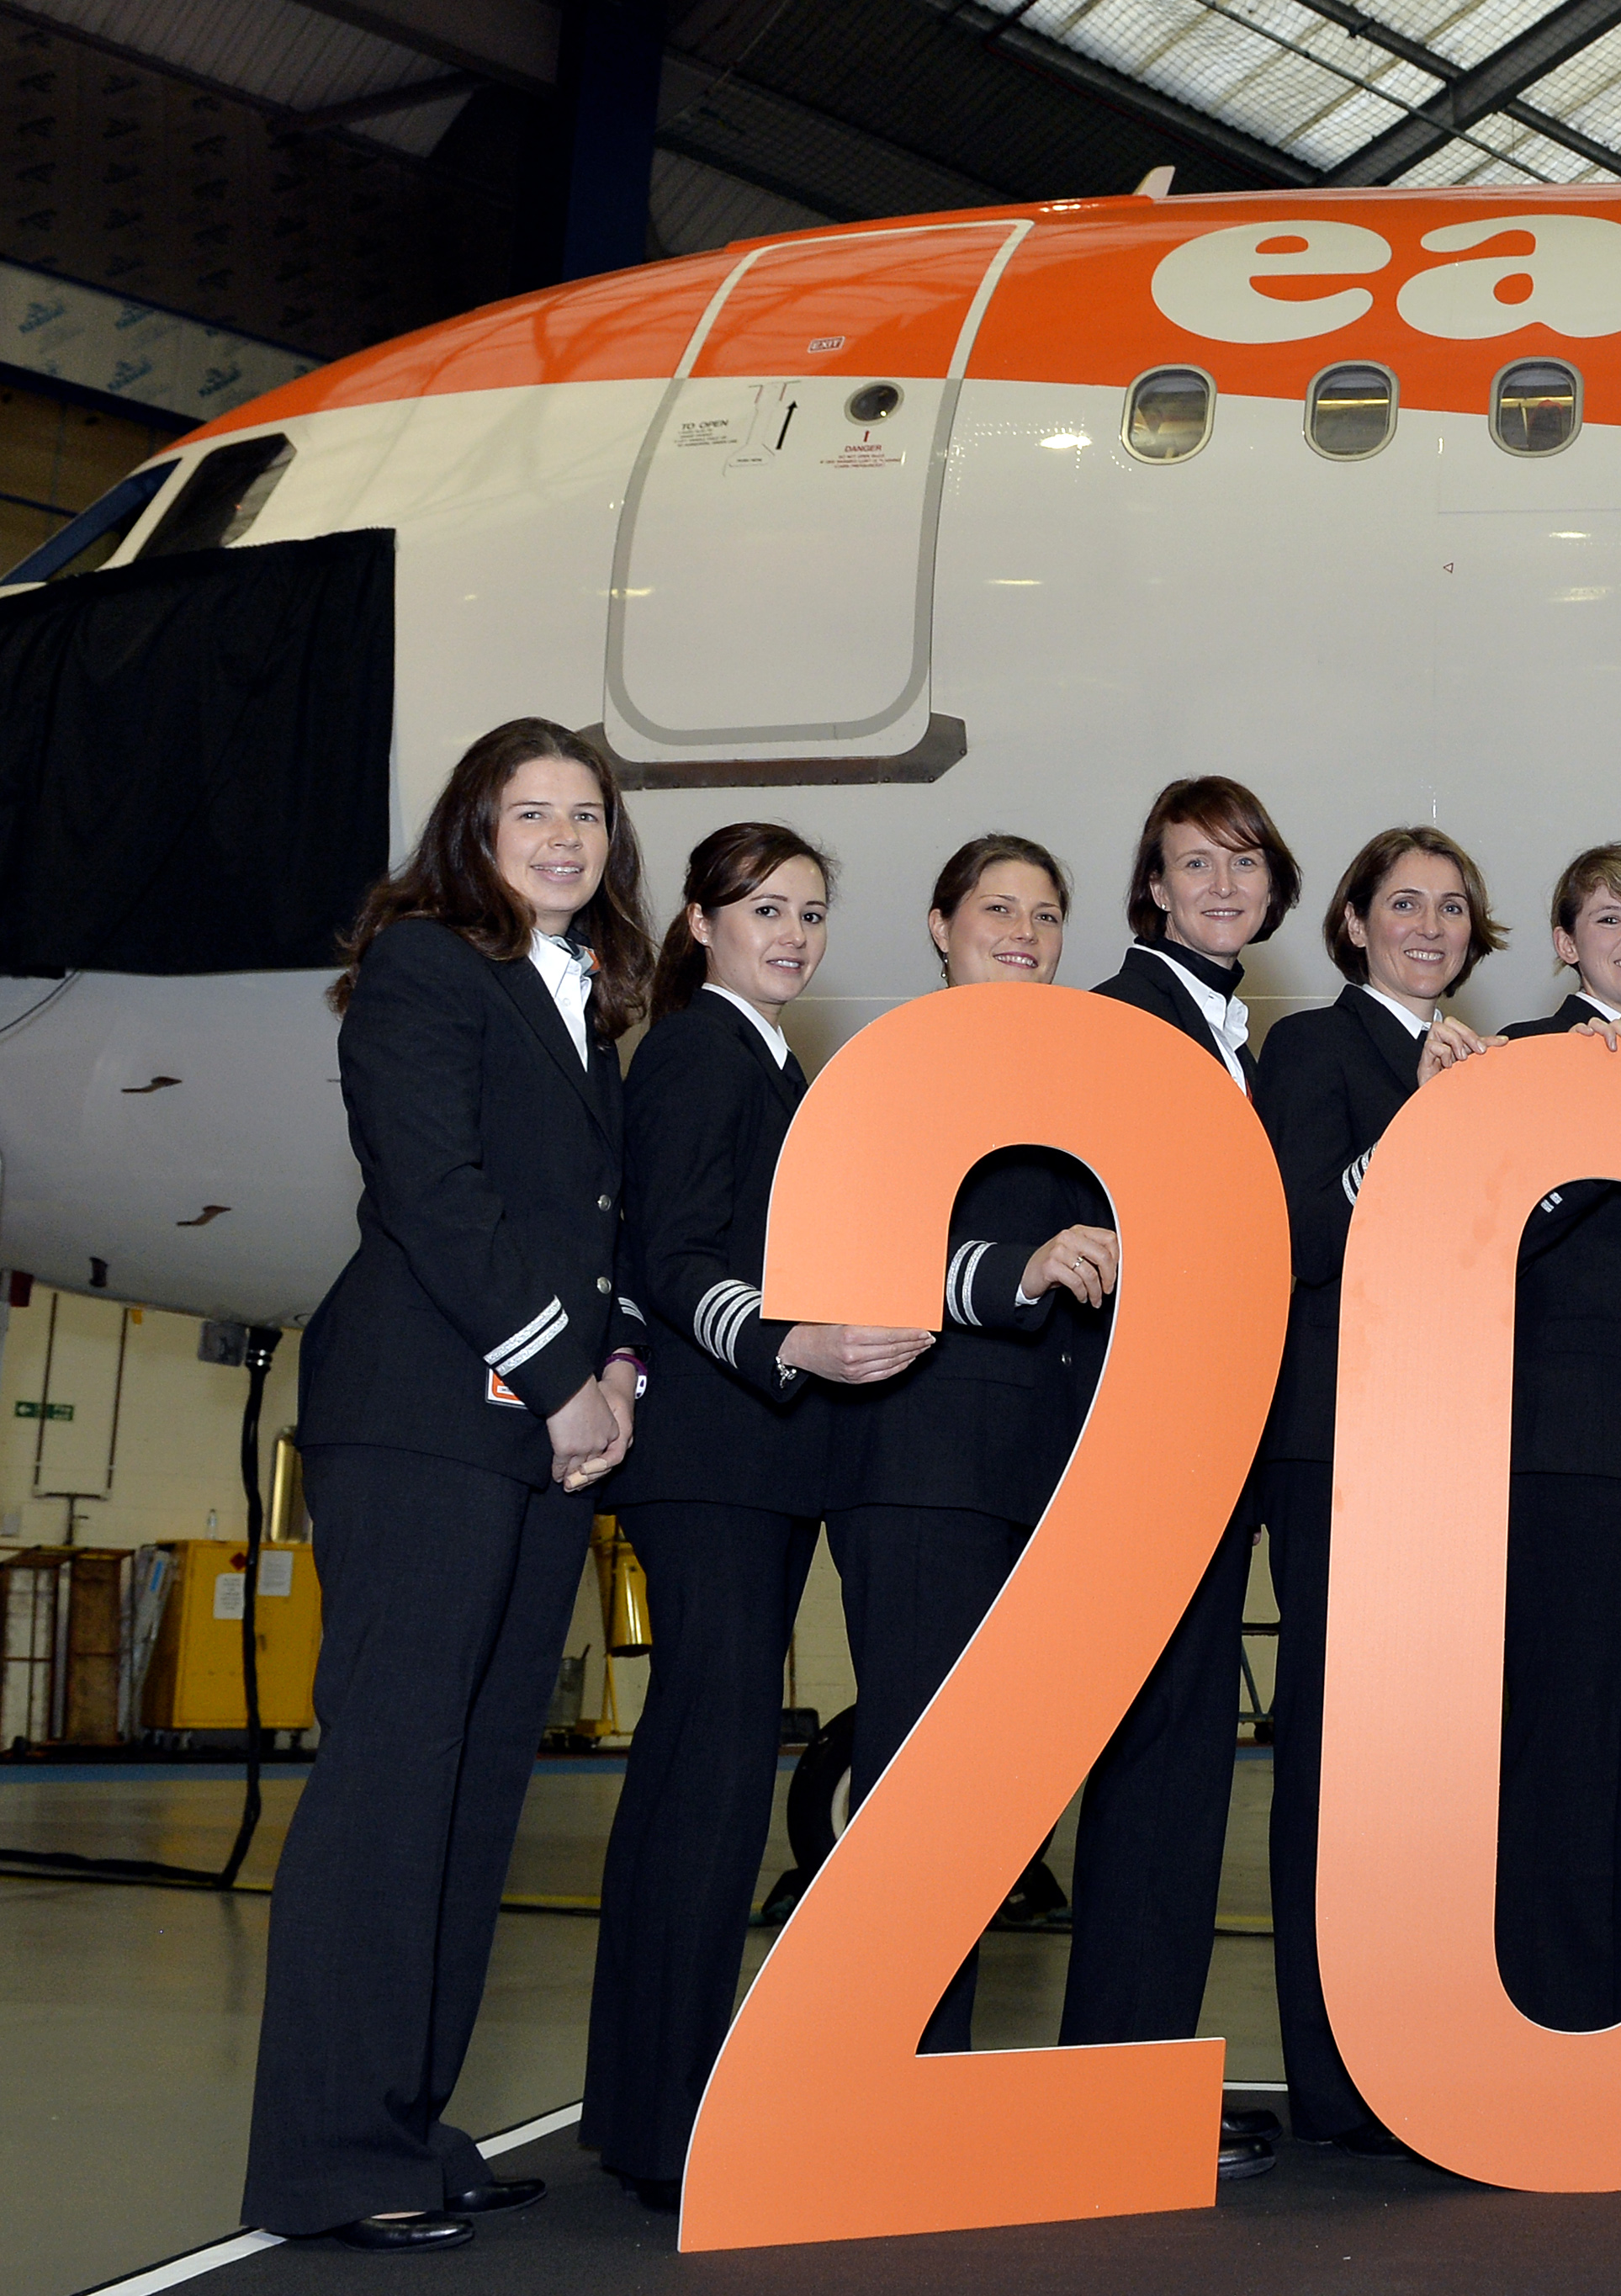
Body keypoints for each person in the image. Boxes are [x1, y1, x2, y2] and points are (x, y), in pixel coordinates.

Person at [245, 718, 655, 2249]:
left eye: (587, 815)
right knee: (391, 1785)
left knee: (477, 1791)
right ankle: (331, 2154)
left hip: (531, 1434)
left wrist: (618, 1373)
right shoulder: (425, 963)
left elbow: (594, 1222)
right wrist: (561, 1377)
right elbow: (435, 1190)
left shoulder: (577, 996)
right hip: (424, 1419)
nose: (564, 838)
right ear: (471, 830)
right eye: (529, 811)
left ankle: (407, 2121)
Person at [582, 825, 931, 2209]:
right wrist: (789, 1343)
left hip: (761, 1465)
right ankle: (662, 2120)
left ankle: (651, 2102)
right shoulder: (695, 1052)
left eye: (811, 912)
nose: (792, 934)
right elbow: (669, 1254)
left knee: (709, 1773)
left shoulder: (773, 1060)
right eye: (765, 908)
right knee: (706, 1779)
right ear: (699, 924)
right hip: (713, 1461)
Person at [818, 835, 1118, 2056]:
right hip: (921, 1468)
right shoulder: (892, 1066)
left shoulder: (1075, 1083)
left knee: (985, 1803)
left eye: (1045, 915)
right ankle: (890, 2065)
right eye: (999, 909)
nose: (1024, 934)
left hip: (1037, 1477)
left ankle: (935, 2073)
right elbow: (860, 1249)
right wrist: (1021, 1271)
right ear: (941, 927)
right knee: (915, 1786)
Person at [1063, 777, 1302, 2184]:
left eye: (1244, 862)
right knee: (1156, 1767)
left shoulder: (1228, 1031)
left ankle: (1135, 2072)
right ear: (1151, 887)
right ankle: (1116, 2086)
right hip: (1149, 1439)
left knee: (1180, 1769)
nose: (1222, 885)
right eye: (1194, 864)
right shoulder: (1126, 1019)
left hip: (1214, 1439)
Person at [1253, 825, 1501, 2155]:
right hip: (1336, 1448)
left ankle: (1418, 2043)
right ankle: (1333, 2072)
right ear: (1353, 922)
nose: (1430, 925)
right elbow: (1298, 1234)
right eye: (1404, 902)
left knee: (1425, 1762)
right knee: (1333, 1759)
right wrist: (1423, 1115)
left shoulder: (1484, 1062)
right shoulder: (1312, 1048)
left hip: (1446, 1443)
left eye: (1452, 906)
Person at [1491, 844, 1621, 2039]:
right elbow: (1495, 1233)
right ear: (1566, 943)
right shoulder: (1520, 1059)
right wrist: (1601, 1114)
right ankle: (1551, 2011)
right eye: (1610, 919)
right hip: (1560, 1457)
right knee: (1560, 1743)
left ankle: (1601, 2008)